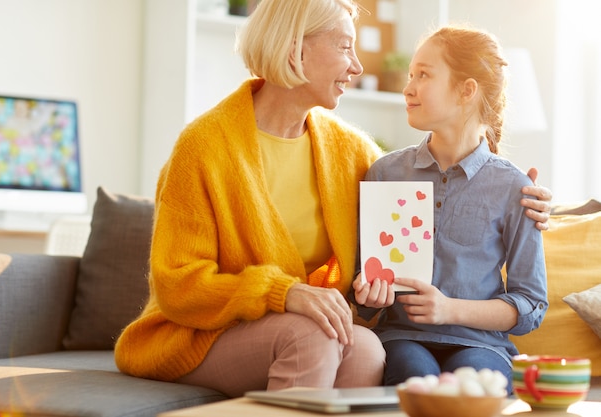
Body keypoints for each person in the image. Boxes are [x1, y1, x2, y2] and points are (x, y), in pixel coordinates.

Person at [114, 1, 551, 397]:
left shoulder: (352, 154)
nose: (358, 66)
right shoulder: (204, 147)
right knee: (314, 336)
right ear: (295, 50)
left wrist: (534, 201)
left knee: (362, 348)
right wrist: (285, 293)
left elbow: (432, 192)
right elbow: (177, 286)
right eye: (345, 47)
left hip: (303, 328)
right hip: (204, 333)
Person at [351, 25, 549, 394]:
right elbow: (362, 284)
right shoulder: (385, 173)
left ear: (466, 90)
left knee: (473, 385)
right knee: (415, 377)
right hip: (401, 337)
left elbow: (530, 305)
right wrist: (366, 296)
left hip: (482, 343)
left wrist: (449, 310)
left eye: (423, 74)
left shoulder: (514, 187)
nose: (408, 87)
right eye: (410, 75)